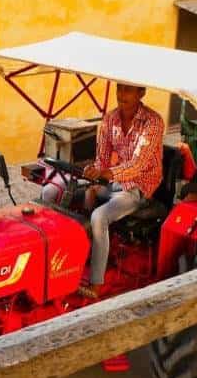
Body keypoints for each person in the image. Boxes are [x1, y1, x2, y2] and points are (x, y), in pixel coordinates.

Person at [40, 83, 163, 297]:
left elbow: (138, 165)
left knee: (99, 216)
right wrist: (93, 171)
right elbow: (102, 160)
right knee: (51, 193)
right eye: (119, 89)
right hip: (113, 180)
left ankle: (95, 284)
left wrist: (107, 174)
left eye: (128, 90)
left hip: (138, 186)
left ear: (141, 93)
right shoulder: (110, 118)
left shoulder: (153, 122)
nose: (121, 94)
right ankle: (57, 262)